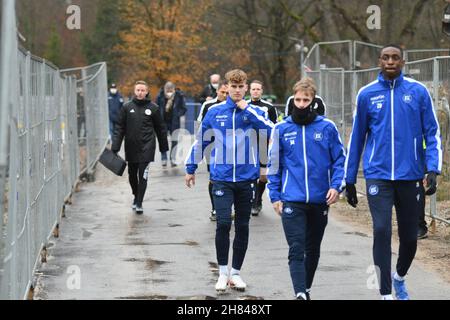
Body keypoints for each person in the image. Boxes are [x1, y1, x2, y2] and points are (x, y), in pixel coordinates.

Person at [344, 44, 442, 300]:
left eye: (395, 58)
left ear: (403, 62)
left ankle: (399, 277)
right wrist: (350, 178)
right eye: (386, 57)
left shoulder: (418, 92)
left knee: (410, 238)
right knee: (381, 230)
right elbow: (356, 138)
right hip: (378, 175)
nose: (390, 61)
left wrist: (432, 168)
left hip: (410, 176)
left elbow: (432, 133)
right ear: (379, 61)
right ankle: (386, 293)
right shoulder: (367, 94)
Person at [185, 69, 274, 293]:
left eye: (240, 86)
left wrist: (247, 109)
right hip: (222, 178)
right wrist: (191, 167)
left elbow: (270, 130)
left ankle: (236, 272)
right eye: (232, 87)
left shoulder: (253, 111)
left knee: (242, 226)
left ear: (246, 88)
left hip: (246, 179)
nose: (236, 90)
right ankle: (223, 272)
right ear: (226, 88)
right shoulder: (215, 112)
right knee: (224, 223)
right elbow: (201, 141)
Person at [267, 78, 345, 300]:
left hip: (320, 200)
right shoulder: (281, 129)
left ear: (313, 101)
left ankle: (306, 288)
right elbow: (274, 165)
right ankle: (299, 293)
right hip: (292, 199)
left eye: (306, 99)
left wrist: (335, 187)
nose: (301, 103)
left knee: (313, 249)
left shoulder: (327, 127)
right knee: (296, 247)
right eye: (298, 99)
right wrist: (274, 196)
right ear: (293, 100)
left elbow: (340, 160)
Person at [112, 81, 169, 214]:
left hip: (147, 147)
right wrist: (115, 146)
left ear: (147, 92)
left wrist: (163, 147)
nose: (140, 92)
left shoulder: (153, 108)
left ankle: (139, 202)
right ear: (134, 91)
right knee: (132, 175)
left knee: (143, 175)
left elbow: (161, 129)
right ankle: (135, 195)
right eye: (138, 90)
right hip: (131, 147)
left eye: (143, 90)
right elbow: (119, 128)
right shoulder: (127, 107)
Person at [196, 80, 229, 221]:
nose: (225, 95)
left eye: (228, 93)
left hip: (230, 147)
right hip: (212, 147)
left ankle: (228, 208)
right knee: (214, 178)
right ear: (217, 91)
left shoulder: (235, 106)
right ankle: (215, 208)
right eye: (223, 92)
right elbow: (201, 126)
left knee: (229, 178)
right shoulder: (208, 105)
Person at [246, 80, 278, 216]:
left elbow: (274, 126)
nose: (255, 91)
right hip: (248, 143)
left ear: (261, 91)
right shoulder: (244, 105)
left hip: (264, 143)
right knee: (250, 174)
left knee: (263, 176)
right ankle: (253, 202)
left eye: (258, 89)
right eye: (253, 89)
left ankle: (258, 199)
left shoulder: (269, 107)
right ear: (249, 90)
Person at [156, 81, 187, 167]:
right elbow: (156, 108)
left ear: (173, 89)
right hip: (163, 121)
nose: (169, 92)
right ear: (165, 89)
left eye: (171, 90)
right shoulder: (160, 96)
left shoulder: (179, 96)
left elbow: (183, 108)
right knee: (163, 140)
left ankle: (173, 158)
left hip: (174, 122)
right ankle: (164, 158)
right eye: (167, 90)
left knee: (174, 141)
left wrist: (178, 114)